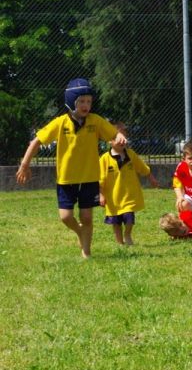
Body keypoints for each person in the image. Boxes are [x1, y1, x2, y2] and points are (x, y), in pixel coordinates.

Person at [15, 78, 127, 258]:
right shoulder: (60, 123)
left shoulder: (95, 121)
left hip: (89, 178)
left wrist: (120, 136)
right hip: (66, 179)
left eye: (89, 101)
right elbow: (36, 141)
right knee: (66, 217)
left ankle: (87, 253)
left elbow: (114, 133)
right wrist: (25, 164)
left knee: (87, 218)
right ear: (71, 101)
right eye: (81, 101)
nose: (86, 105)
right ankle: (80, 232)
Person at [99, 122, 159, 245]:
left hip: (129, 196)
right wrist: (101, 195)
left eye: (124, 138)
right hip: (113, 199)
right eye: (118, 138)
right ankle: (120, 242)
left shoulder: (130, 155)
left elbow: (142, 167)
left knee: (129, 218)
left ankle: (127, 234)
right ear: (109, 141)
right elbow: (100, 179)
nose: (122, 141)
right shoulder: (104, 159)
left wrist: (151, 177)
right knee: (115, 222)